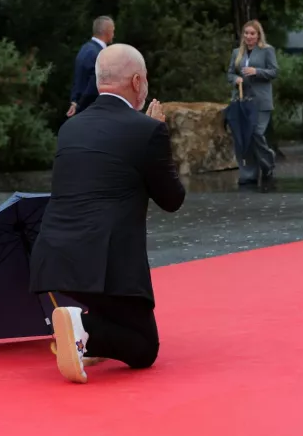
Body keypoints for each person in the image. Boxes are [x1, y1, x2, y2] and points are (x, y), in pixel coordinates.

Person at [30, 43, 186, 384]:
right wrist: (156, 135)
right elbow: (173, 199)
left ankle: (84, 334)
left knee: (123, 321)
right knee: (144, 348)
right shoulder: (146, 130)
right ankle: (81, 330)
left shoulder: (70, 128)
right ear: (136, 81)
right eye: (145, 79)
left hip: (57, 258)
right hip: (108, 264)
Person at [226, 19, 278, 185]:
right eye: (246, 33)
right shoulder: (237, 53)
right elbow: (229, 74)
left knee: (256, 133)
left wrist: (257, 71)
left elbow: (274, 71)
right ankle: (249, 173)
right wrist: (236, 79)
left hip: (261, 101)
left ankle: (268, 161)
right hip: (242, 100)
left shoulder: (267, 51)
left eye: (252, 33)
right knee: (244, 137)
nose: (249, 36)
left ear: (258, 35)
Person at [66, 16, 115, 117]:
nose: (113, 34)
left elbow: (78, 79)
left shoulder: (84, 49)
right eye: (113, 31)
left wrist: (74, 102)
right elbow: (94, 85)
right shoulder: (100, 54)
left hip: (82, 110)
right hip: (93, 112)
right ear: (108, 31)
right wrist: (79, 105)